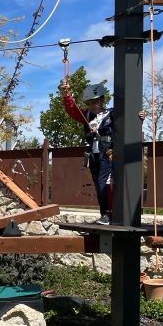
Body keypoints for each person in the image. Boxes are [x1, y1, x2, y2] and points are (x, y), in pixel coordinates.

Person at [62, 82, 113, 225]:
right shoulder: (87, 115)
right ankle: (104, 215)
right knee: (98, 184)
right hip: (94, 155)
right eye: (89, 103)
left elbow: (128, 122)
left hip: (107, 153)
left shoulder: (112, 114)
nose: (92, 106)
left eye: (94, 102)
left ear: (102, 100)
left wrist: (139, 117)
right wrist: (66, 94)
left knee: (104, 183)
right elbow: (72, 110)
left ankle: (109, 214)